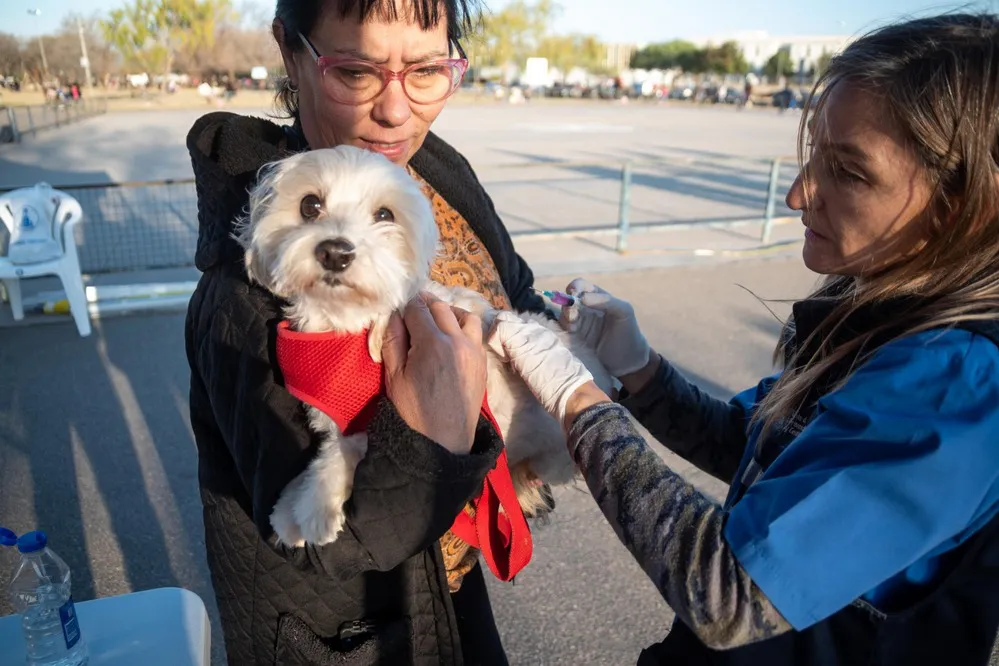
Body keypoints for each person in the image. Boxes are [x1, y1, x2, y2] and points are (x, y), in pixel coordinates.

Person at [481, 13, 999, 666]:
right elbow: (752, 449)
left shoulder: (958, 385)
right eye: (812, 153)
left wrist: (575, 398)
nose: (796, 193)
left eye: (849, 172)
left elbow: (730, 597)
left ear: (958, 210)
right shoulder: (876, 311)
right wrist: (639, 371)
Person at [184, 0, 545, 663]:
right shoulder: (244, 292)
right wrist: (439, 430)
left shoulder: (439, 172)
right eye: (356, 72)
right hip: (345, 633)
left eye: (427, 70)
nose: (396, 110)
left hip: (451, 575)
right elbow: (334, 544)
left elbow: (515, 288)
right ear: (290, 53)